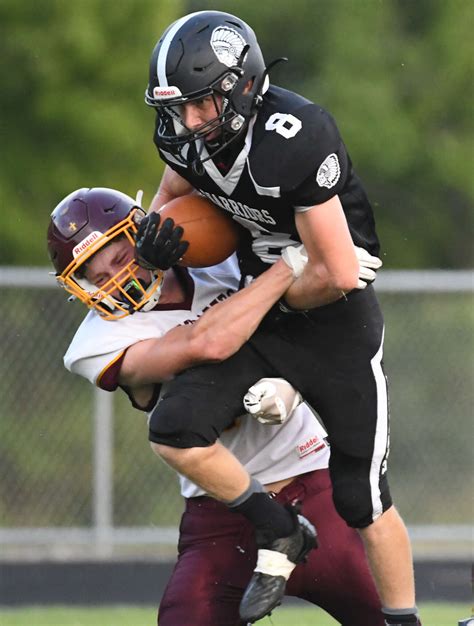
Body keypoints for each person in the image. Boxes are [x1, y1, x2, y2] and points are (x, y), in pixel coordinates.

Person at [139, 10, 421, 626]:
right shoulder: (185, 138)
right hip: (267, 301)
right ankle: (280, 528)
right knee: (176, 427)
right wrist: (155, 242)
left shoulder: (294, 135)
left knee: (363, 497)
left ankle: (405, 621)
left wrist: (273, 292)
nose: (190, 122)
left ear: (243, 86)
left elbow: (336, 272)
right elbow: (170, 201)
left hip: (335, 312)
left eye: (202, 104)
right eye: (179, 108)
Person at [47, 186, 384, 625]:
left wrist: (293, 385)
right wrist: (288, 266)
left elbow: (308, 336)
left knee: (389, 615)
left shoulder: (216, 259)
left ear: (141, 232)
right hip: (224, 514)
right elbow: (203, 343)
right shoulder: (96, 343)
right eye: (96, 275)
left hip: (311, 480)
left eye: (119, 256)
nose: (117, 278)